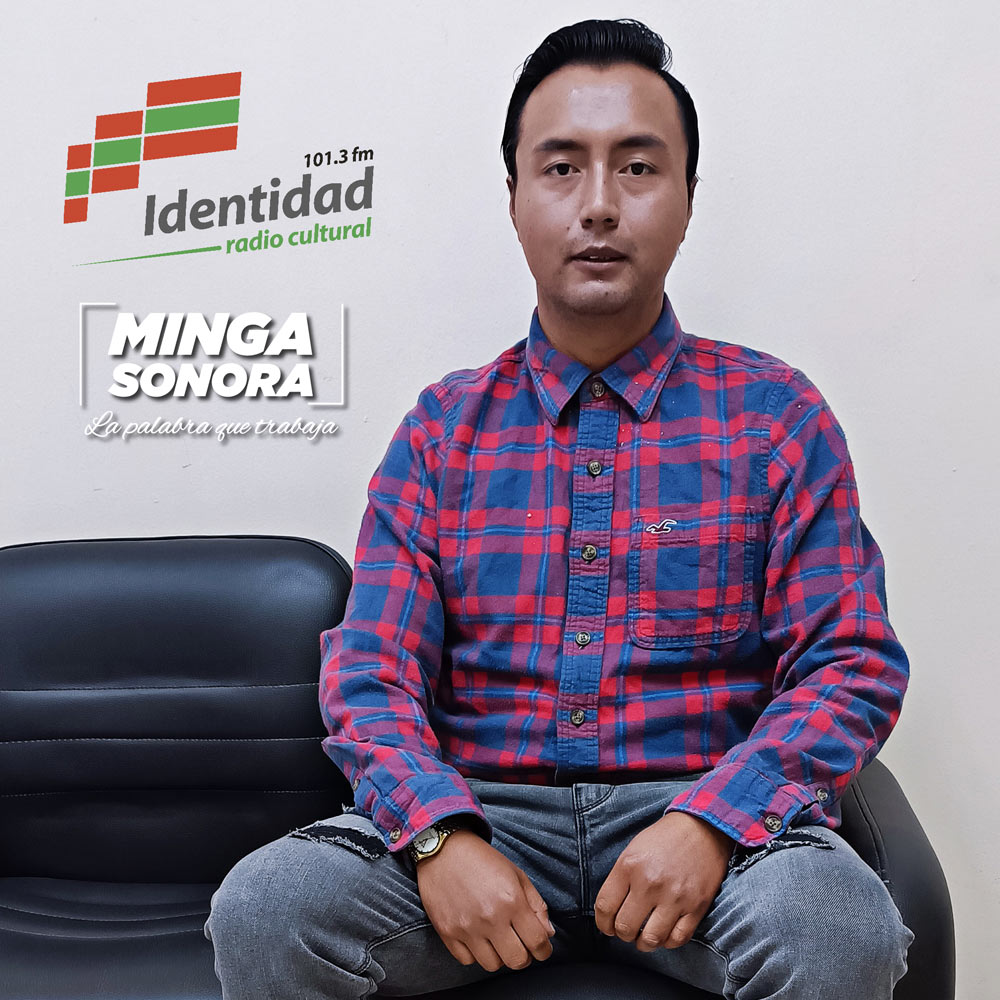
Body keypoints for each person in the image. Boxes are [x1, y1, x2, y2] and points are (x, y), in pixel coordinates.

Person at [205, 17, 915, 999]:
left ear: (687, 198)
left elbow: (849, 661)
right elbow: (371, 671)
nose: (598, 204)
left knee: (837, 926)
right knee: (267, 906)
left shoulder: (774, 417)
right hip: (482, 818)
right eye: (561, 167)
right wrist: (437, 835)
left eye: (638, 167)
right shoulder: (442, 430)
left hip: (706, 828)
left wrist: (714, 821)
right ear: (514, 197)